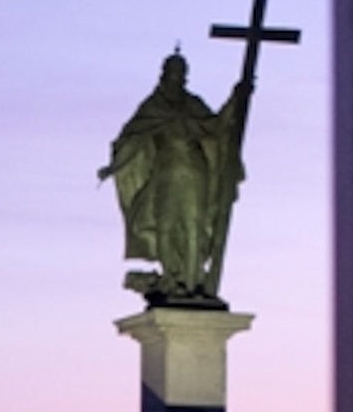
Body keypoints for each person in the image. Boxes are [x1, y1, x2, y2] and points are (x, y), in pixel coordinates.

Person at [98, 51, 251, 305]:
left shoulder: (192, 104)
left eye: (181, 74)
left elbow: (216, 126)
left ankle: (192, 282)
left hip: (194, 171)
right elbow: (133, 140)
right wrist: (113, 166)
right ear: (164, 74)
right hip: (165, 174)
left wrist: (237, 98)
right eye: (172, 73)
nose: (177, 78)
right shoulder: (153, 106)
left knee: (194, 226)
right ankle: (172, 278)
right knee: (166, 227)